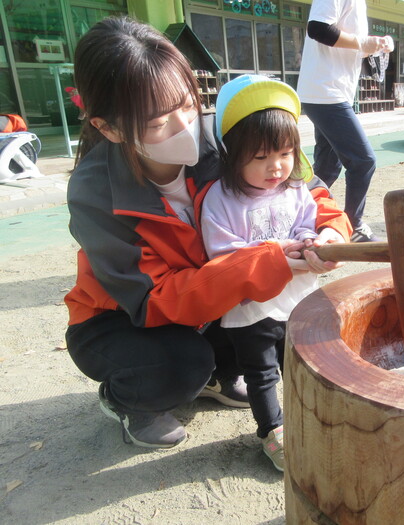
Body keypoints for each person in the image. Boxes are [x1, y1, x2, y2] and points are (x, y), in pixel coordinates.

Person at [63, 17, 351, 449]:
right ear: (109, 128)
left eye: (187, 104)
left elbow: (308, 190)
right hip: (121, 318)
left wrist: (330, 233)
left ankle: (219, 375)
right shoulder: (95, 194)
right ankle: (127, 398)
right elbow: (153, 300)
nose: (184, 127)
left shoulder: (225, 133)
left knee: (266, 327)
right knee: (181, 365)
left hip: (209, 296)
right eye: (157, 123)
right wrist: (265, 262)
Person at [200, 75, 334, 471]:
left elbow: (307, 222)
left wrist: (311, 239)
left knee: (298, 363)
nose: (276, 166)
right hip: (251, 307)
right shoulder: (221, 199)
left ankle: (304, 417)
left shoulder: (296, 189)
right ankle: (272, 431)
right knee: (260, 374)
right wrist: (276, 253)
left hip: (296, 299)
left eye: (286, 153)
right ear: (232, 153)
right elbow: (223, 253)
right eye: (260, 157)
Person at [297, 0, 393, 242]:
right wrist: (362, 42)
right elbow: (318, 28)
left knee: (328, 167)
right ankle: (352, 226)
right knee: (363, 161)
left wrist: (375, 45)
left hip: (329, 92)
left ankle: (297, 215)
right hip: (325, 92)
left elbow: (346, 46)